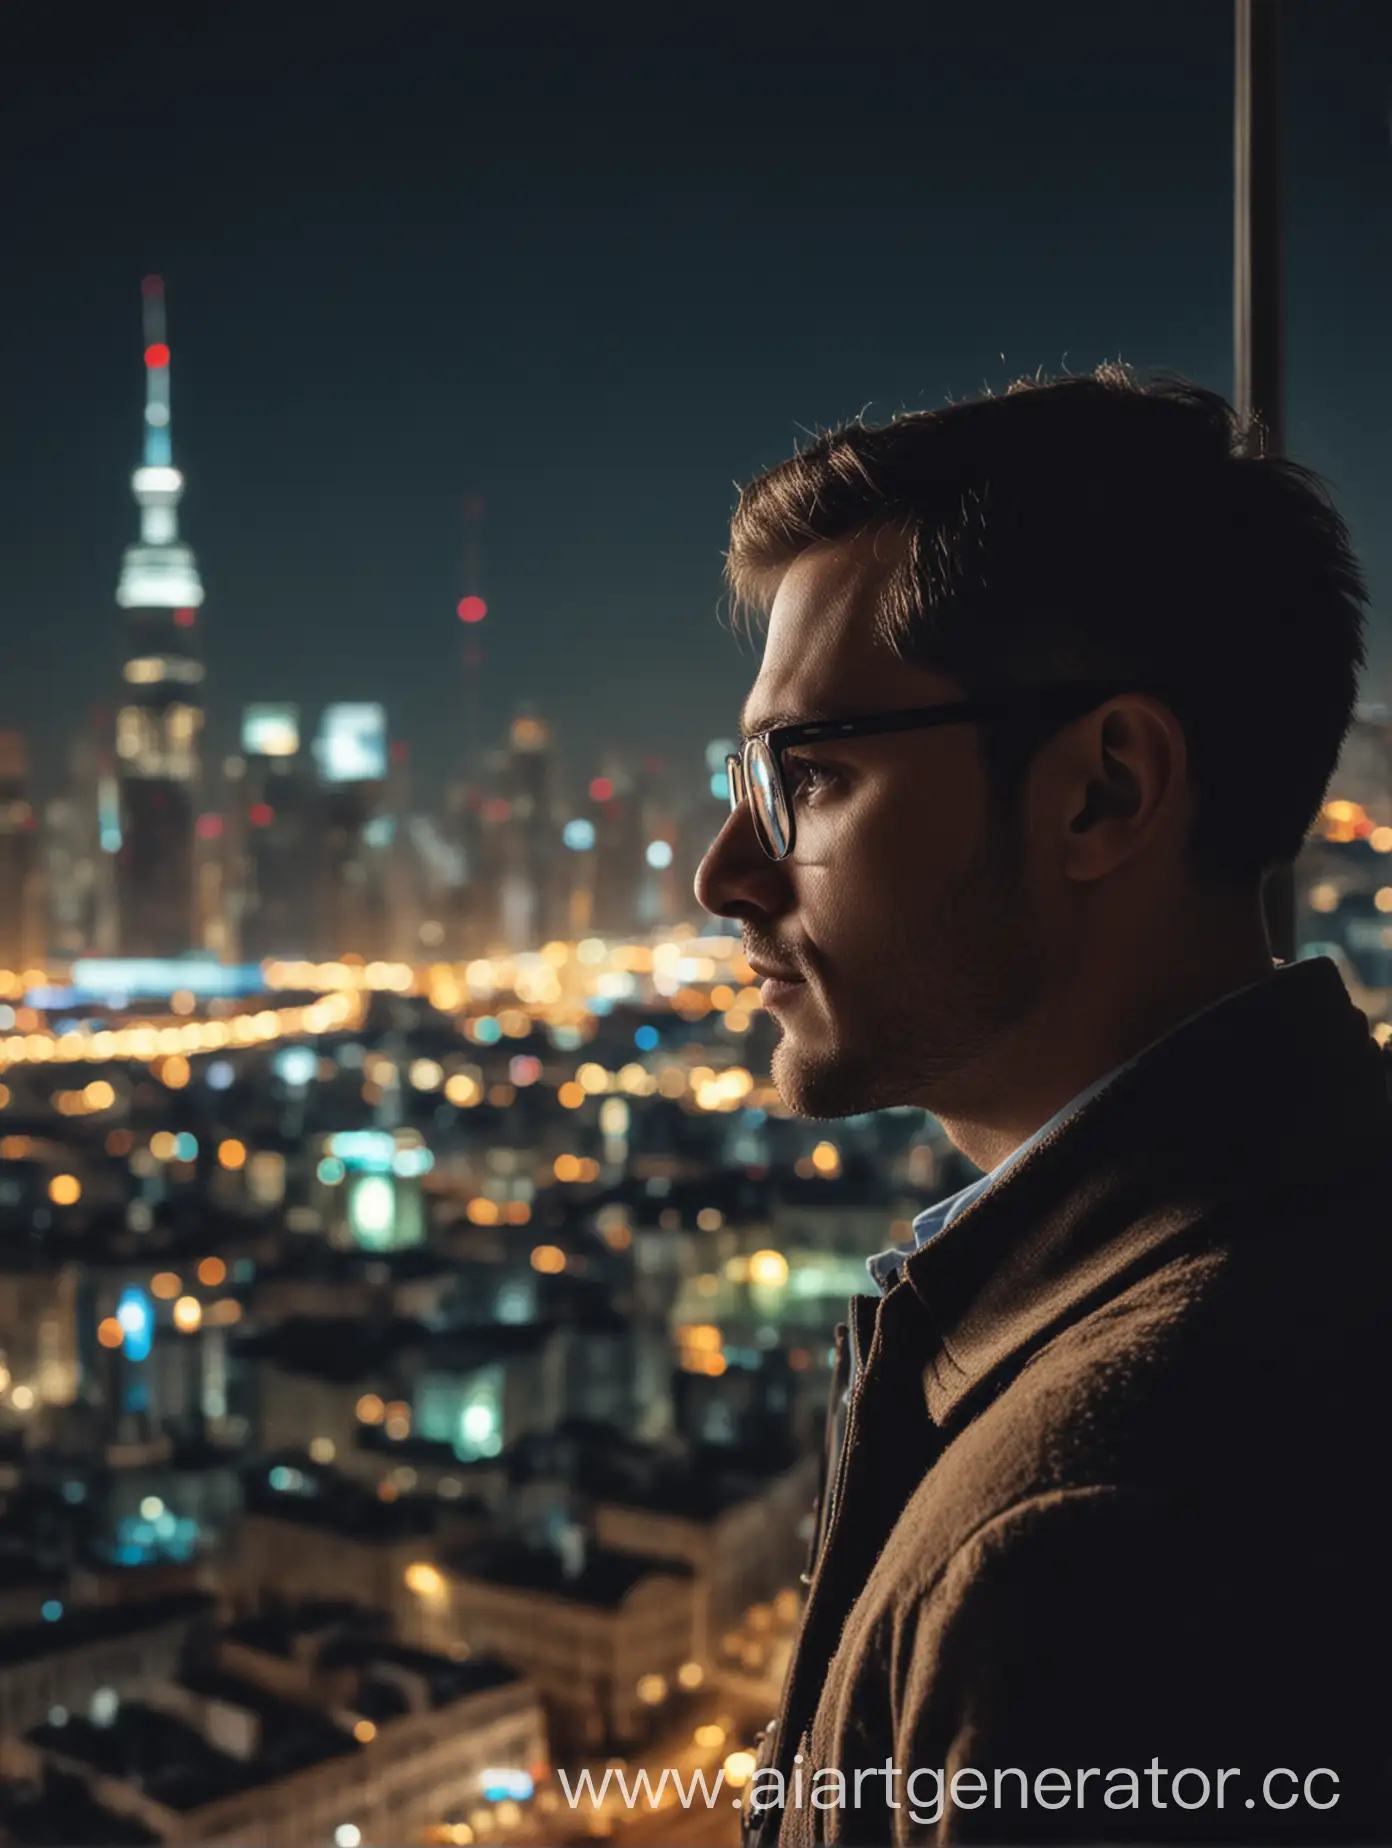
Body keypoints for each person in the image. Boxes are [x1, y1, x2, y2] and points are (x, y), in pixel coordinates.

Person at [695, 365, 1391, 1844]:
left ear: (1104, 791)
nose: (723, 876)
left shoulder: (1100, 1542)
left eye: (802, 778)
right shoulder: (1321, 1225)